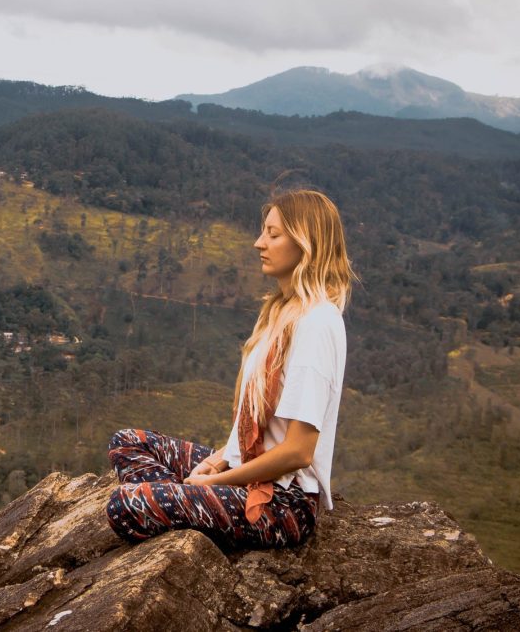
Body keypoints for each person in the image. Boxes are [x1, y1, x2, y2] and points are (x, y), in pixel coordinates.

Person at [105, 189, 355, 550]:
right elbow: (263, 433)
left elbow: (298, 451)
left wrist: (219, 484)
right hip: (251, 473)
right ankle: (183, 503)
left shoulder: (317, 323)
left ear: (306, 243)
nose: (259, 243)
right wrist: (220, 460)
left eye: (273, 234)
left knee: (126, 505)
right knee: (127, 442)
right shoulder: (282, 313)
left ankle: (178, 502)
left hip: (283, 504)